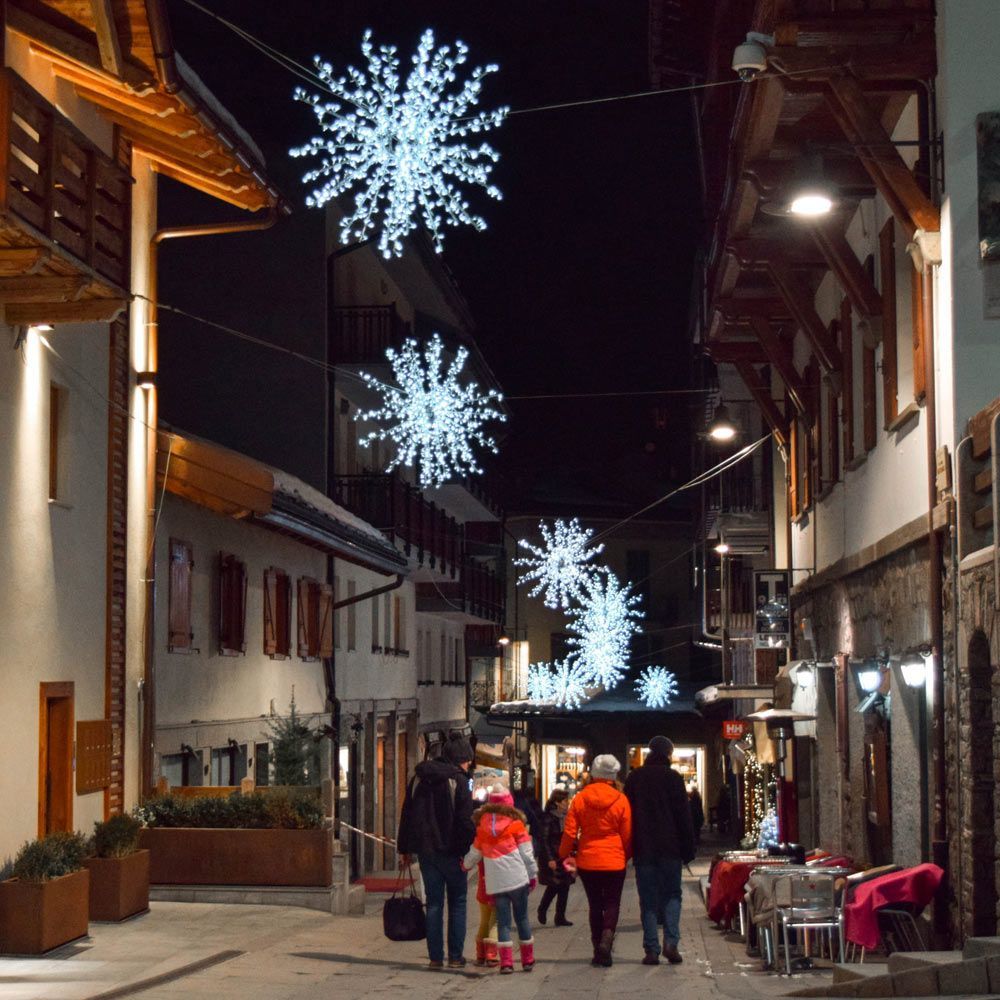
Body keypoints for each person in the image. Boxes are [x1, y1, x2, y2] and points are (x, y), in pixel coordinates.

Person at [397, 735, 476, 970]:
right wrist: (470, 848)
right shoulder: (459, 782)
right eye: (468, 761)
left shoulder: (418, 778)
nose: (469, 765)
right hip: (453, 851)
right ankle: (455, 956)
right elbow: (465, 820)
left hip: (426, 852)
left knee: (433, 904)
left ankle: (435, 958)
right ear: (461, 759)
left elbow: (407, 813)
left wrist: (405, 848)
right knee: (458, 902)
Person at [623, 736, 695, 966]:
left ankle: (651, 950)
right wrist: (688, 848)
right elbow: (684, 816)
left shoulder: (635, 778)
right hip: (671, 848)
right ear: (668, 754)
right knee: (672, 895)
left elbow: (627, 816)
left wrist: (629, 846)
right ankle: (671, 943)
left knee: (648, 899)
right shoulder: (673, 778)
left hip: (644, 848)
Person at [558, 755, 632, 967]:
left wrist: (564, 854)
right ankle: (606, 941)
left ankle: (596, 945)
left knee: (595, 904)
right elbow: (627, 835)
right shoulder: (621, 800)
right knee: (612, 903)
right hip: (614, 860)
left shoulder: (580, 798)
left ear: (593, 774)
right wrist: (624, 856)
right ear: (613, 776)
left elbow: (570, 832)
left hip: (588, 861)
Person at [463, 783, 538, 974]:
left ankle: (506, 963)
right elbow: (527, 853)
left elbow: (474, 853)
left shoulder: (482, 827)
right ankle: (527, 960)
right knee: (521, 919)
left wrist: (465, 865)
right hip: (517, 879)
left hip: (496, 882)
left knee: (503, 922)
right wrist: (532, 874)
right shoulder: (516, 825)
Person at [536, 788, 573, 927]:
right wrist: (550, 858)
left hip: (565, 854)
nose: (567, 803)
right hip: (553, 855)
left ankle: (560, 916)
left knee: (566, 884)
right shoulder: (549, 817)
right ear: (557, 802)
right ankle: (543, 908)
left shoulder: (566, 816)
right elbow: (544, 839)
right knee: (555, 885)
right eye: (564, 801)